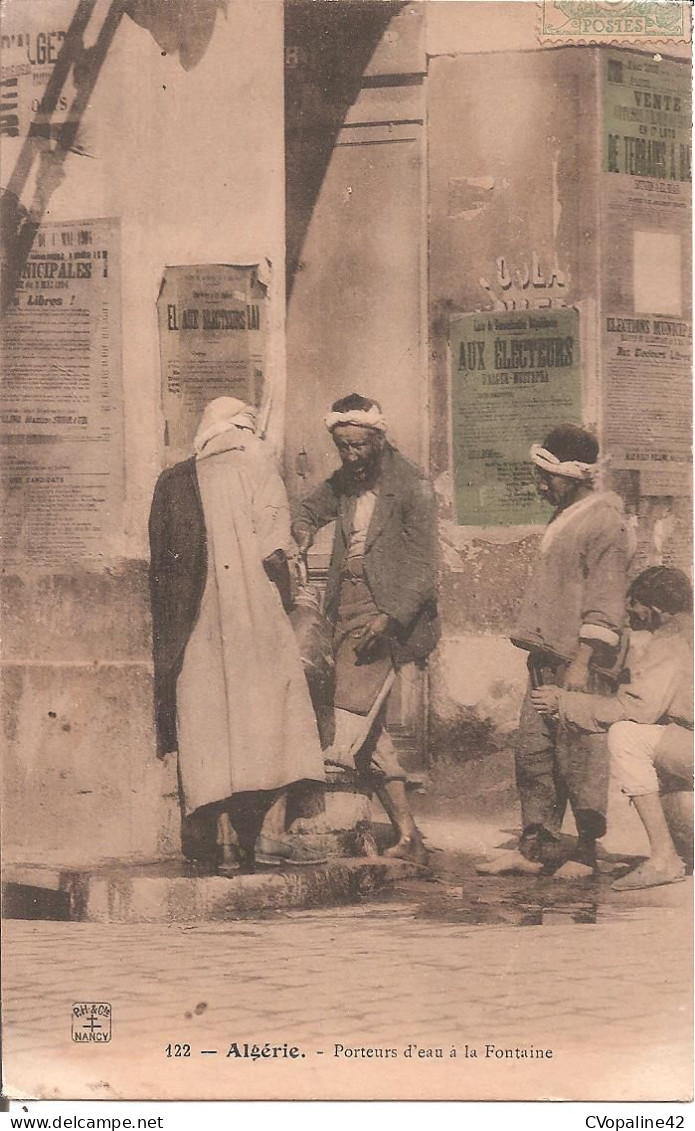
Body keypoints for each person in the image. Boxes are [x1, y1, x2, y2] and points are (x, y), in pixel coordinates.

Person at [148, 396, 326, 872]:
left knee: (212, 725)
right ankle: (268, 836)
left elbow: (161, 564)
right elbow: (274, 549)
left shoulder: (176, 479)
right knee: (273, 717)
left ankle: (224, 840)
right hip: (254, 614)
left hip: (196, 621)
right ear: (246, 429)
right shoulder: (258, 463)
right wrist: (297, 588)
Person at [477, 425, 631, 879]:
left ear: (578, 475)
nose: (541, 486)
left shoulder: (605, 522)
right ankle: (535, 847)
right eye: (538, 477)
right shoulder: (568, 513)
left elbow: (605, 602)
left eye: (549, 478)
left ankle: (585, 851)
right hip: (546, 655)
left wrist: (582, 664)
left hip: (580, 660)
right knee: (535, 753)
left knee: (580, 755)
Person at [292, 393, 440, 866]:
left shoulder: (412, 485)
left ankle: (333, 827)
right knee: (367, 728)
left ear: (378, 439)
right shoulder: (345, 481)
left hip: (383, 613)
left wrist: (390, 616)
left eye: (359, 446)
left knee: (350, 720)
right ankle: (409, 834)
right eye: (343, 447)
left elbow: (424, 566)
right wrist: (300, 532)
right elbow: (308, 509)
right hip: (346, 605)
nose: (351, 456)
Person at [532, 566, 693, 891]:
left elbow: (635, 708)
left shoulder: (674, 639)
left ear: (655, 610)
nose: (629, 612)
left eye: (633, 604)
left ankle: (664, 858)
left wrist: (565, 702)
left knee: (628, 737)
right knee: (662, 745)